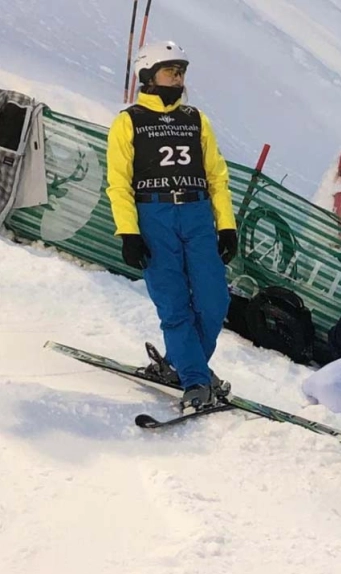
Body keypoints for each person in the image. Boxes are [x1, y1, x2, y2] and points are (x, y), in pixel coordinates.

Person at [106, 40, 238, 414]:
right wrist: (129, 232)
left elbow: (217, 176)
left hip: (197, 214)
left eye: (181, 73)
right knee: (174, 304)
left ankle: (181, 363)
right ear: (148, 76)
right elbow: (119, 183)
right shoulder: (128, 121)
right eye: (171, 72)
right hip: (154, 216)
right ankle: (195, 380)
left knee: (215, 301)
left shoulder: (196, 119)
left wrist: (226, 226)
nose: (178, 79)